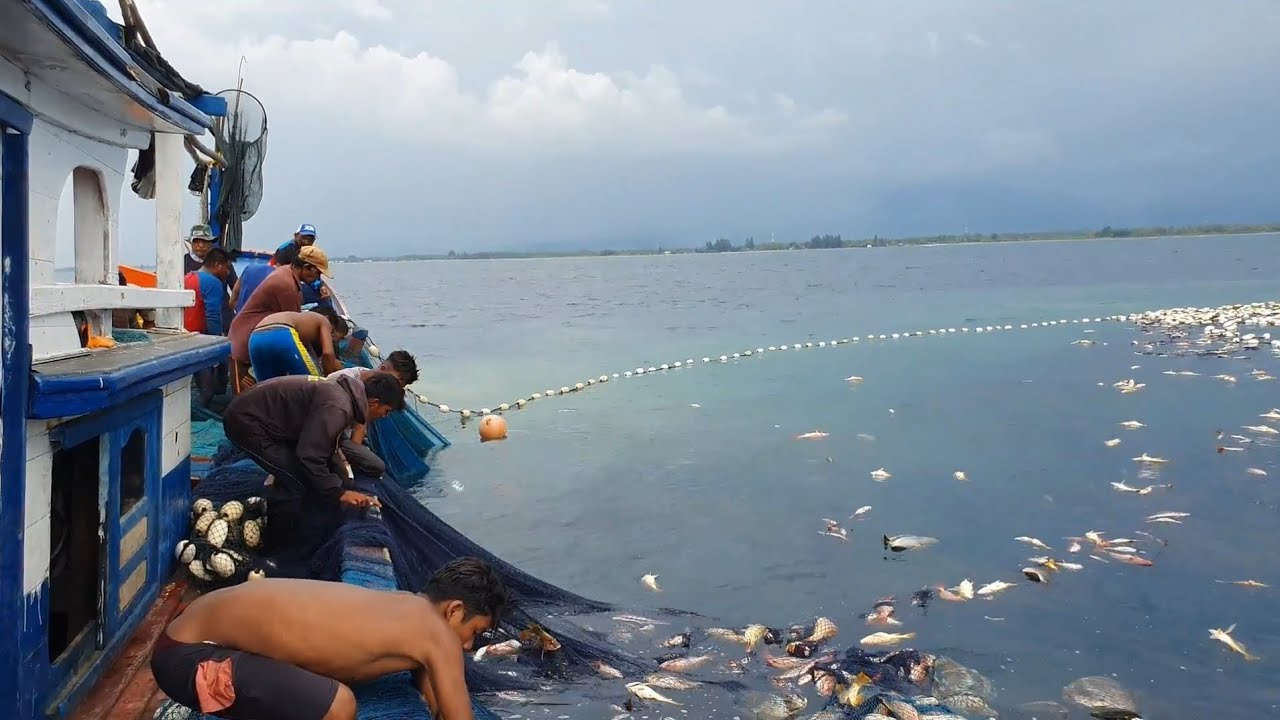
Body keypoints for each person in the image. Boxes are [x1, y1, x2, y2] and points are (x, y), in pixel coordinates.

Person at [150, 556, 509, 720]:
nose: (466, 646)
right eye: (473, 633)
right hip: (193, 660)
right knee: (338, 706)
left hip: (183, 643)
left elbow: (433, 693)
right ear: (454, 611)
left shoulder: (406, 608)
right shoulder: (436, 633)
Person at [221, 372, 404, 551]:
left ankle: (287, 524)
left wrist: (343, 484)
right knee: (295, 479)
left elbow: (326, 449)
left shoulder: (344, 396)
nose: (384, 416)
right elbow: (310, 455)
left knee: (320, 477)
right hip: (246, 422)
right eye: (386, 411)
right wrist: (338, 492)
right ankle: (275, 548)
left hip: (269, 421)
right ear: (374, 403)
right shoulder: (339, 407)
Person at [227, 245, 332, 394]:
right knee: (243, 396)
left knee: (262, 392)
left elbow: (233, 300)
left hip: (255, 338)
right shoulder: (287, 285)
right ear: (306, 267)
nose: (318, 279)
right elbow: (295, 331)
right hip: (243, 343)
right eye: (318, 273)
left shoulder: (285, 272)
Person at [327, 350, 420, 478]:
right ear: (383, 368)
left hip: (347, 433)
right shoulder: (344, 379)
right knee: (375, 465)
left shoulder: (377, 386)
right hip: (332, 431)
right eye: (397, 381)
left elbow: (361, 424)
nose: (397, 387)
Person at [183, 247, 234, 407]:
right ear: (217, 265)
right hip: (200, 340)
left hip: (184, 336)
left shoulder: (187, 277)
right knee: (207, 389)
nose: (228, 272)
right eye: (226, 267)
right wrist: (217, 343)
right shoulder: (213, 282)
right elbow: (213, 316)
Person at [248, 308, 350, 382]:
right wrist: (329, 381)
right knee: (313, 383)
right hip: (281, 332)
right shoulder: (324, 321)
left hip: (255, 338)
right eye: (331, 334)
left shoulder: (303, 323)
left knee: (267, 390)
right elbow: (328, 353)